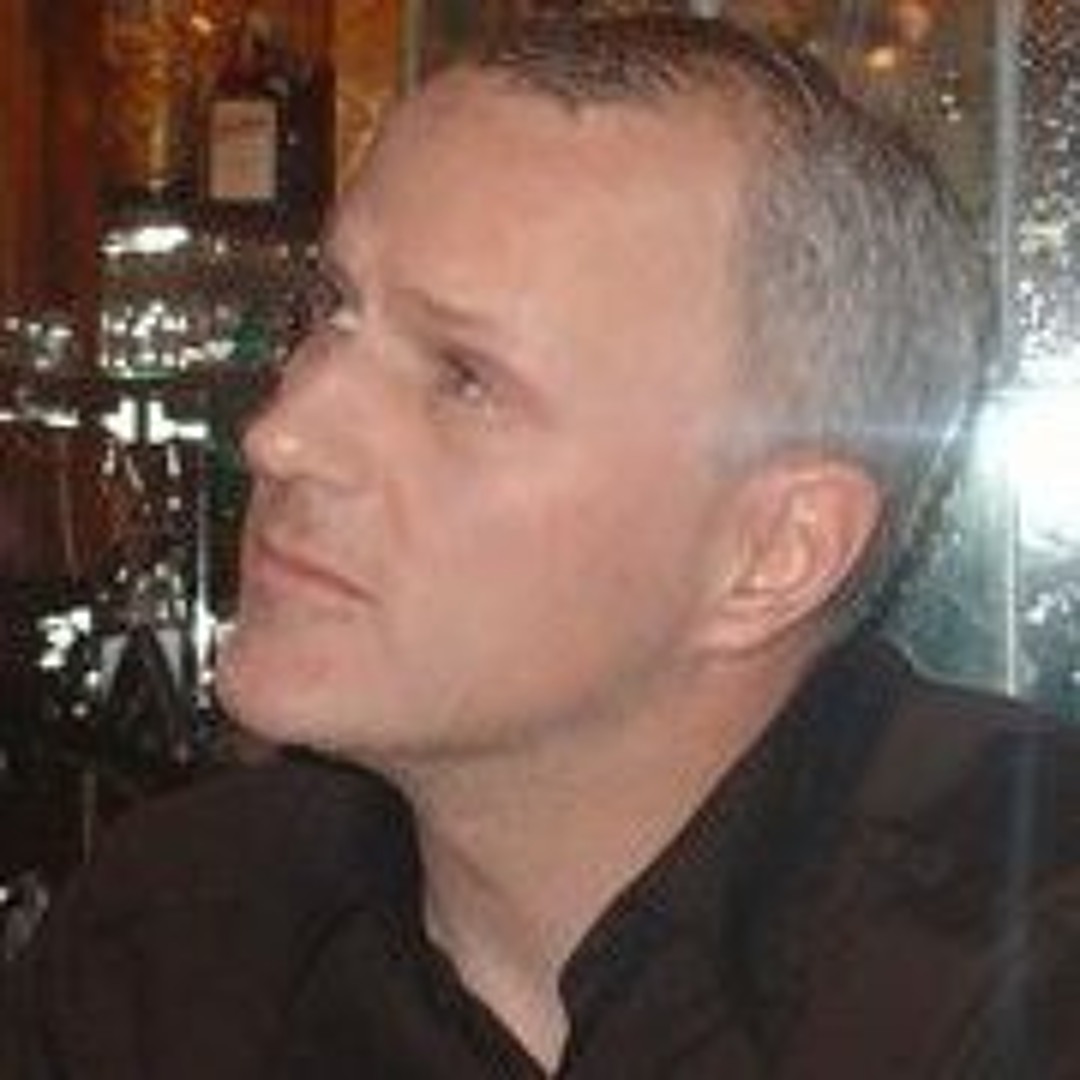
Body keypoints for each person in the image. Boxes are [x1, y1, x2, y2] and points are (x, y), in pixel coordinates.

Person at [3, 13, 1079, 1079]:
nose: (279, 435)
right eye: (329, 310)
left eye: (464, 378)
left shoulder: (1014, 976)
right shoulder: (179, 938)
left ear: (771, 555)